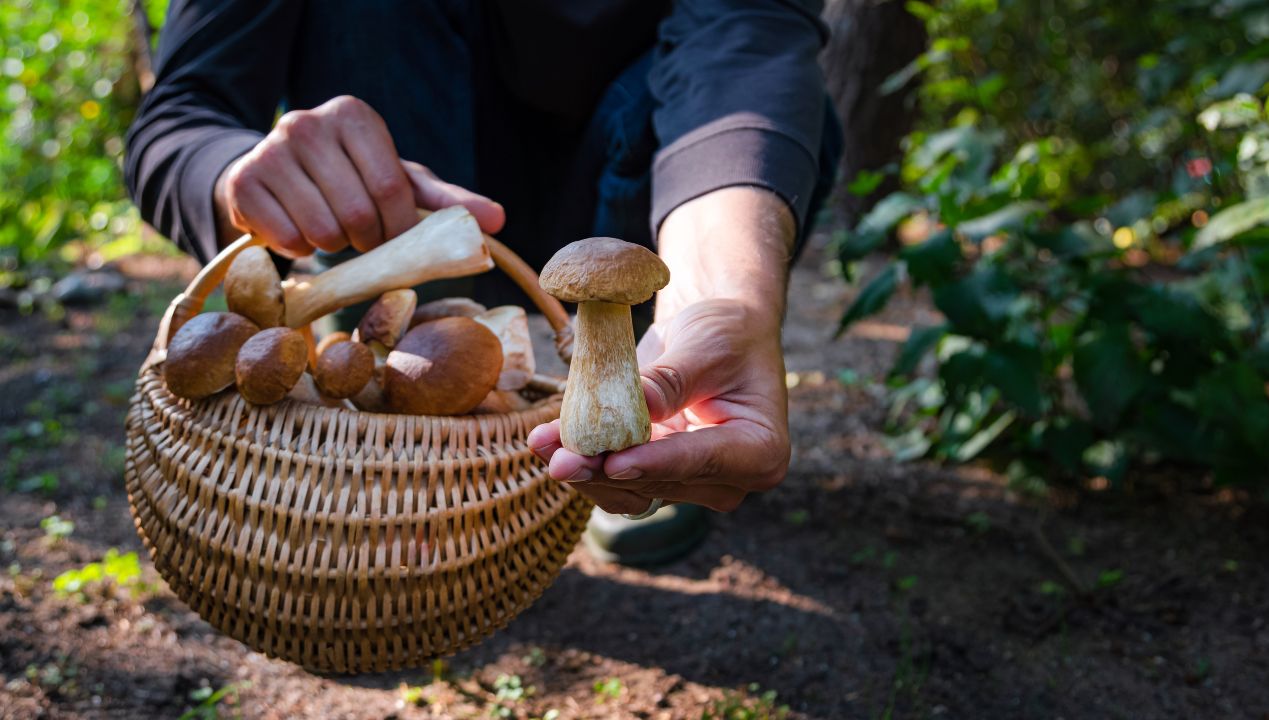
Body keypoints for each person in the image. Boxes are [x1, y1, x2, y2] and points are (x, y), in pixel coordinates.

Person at [125, 0, 842, 564]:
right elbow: (181, 115)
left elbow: (745, 40)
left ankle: (647, 410)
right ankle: (394, 434)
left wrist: (720, 296)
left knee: (796, 111)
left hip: (628, 183)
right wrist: (245, 179)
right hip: (395, 213)